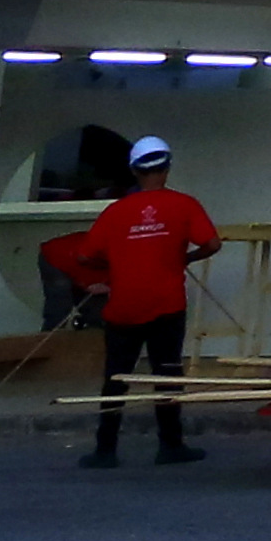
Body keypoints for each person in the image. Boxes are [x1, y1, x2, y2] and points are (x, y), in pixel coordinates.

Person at [73, 138, 221, 468]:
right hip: (167, 305)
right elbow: (212, 244)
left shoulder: (115, 211)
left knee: (116, 377)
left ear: (134, 171)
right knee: (167, 373)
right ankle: (170, 445)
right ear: (167, 169)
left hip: (123, 307)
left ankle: (105, 450)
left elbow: (84, 256)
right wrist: (185, 258)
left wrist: (115, 265)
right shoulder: (185, 204)